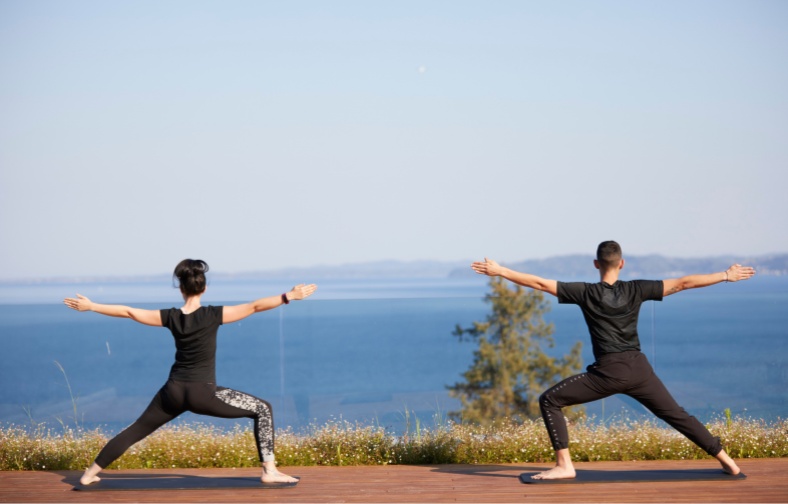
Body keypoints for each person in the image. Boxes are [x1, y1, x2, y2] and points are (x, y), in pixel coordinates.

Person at [471, 241, 755, 480]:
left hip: (608, 372)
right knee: (677, 415)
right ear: (622, 263)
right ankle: (728, 462)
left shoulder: (586, 292)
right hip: (640, 368)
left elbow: (538, 283)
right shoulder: (637, 289)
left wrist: (500, 271)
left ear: (596, 264)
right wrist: (725, 275)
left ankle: (564, 465)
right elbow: (682, 283)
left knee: (550, 400)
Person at [63, 259, 317, 486]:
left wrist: (92, 305)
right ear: (203, 288)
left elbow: (129, 312)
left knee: (136, 430)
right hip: (202, 393)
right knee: (263, 409)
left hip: (172, 392)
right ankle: (269, 471)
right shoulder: (213, 315)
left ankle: (88, 474)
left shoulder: (170, 317)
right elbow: (254, 307)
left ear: (181, 289)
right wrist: (289, 296)